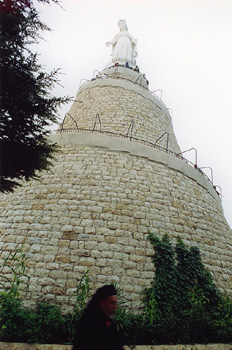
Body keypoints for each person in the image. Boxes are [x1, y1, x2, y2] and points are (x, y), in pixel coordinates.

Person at [72, 285, 124, 350]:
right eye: (112, 303)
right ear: (102, 302)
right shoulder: (89, 324)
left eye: (116, 303)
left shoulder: (109, 323)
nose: (115, 307)